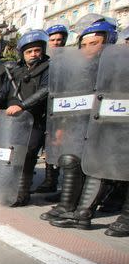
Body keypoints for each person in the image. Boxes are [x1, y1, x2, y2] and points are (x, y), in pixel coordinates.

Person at [45, 17, 117, 229]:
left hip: (106, 128)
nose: (87, 49)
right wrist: (61, 127)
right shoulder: (81, 69)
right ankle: (68, 207)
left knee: (95, 167)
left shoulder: (117, 67)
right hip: (78, 126)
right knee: (70, 160)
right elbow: (68, 100)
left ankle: (83, 214)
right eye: (83, 44)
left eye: (93, 43)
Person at [0, 30, 51, 207]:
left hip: (34, 120)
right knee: (10, 155)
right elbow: (2, 92)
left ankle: (21, 194)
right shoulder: (16, 70)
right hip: (12, 122)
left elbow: (45, 90)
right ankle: (5, 190)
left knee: (27, 156)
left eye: (37, 50)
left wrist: (23, 106)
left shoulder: (49, 68)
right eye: (29, 51)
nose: (33, 54)